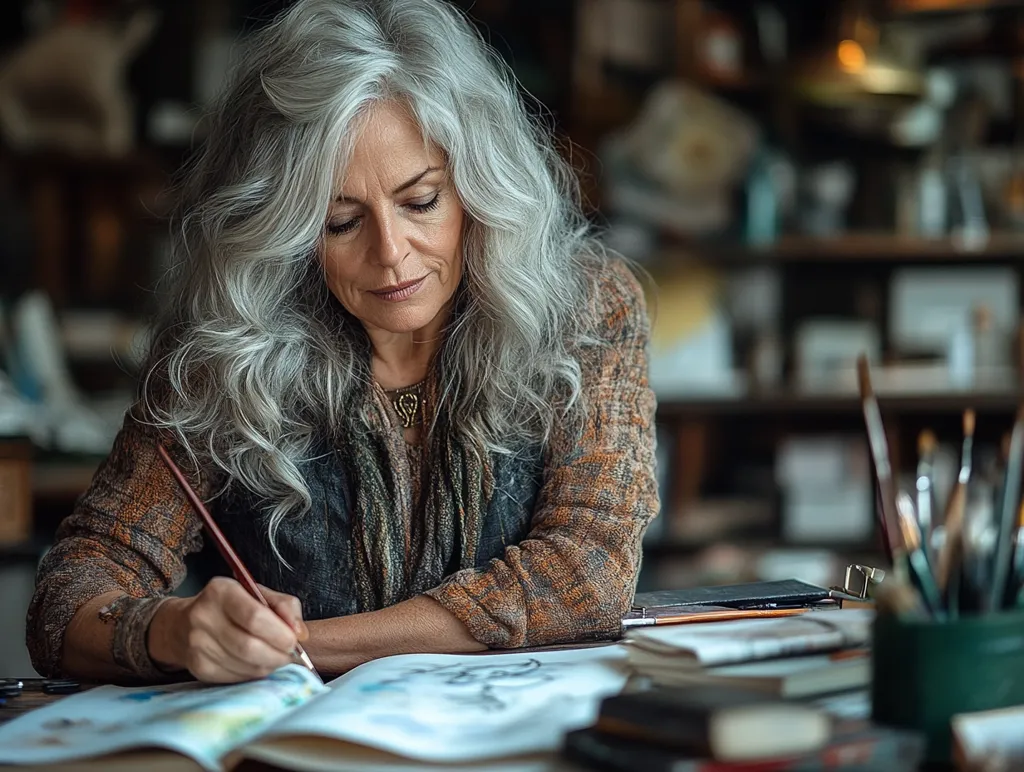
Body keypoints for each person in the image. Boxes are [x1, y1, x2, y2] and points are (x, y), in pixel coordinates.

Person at [26, 0, 658, 684]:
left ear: (480, 184)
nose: (391, 254)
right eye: (340, 222)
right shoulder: (225, 347)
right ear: (287, 231)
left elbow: (587, 569)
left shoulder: (586, 305)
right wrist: (168, 630)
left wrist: (306, 646)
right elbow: (68, 599)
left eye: (421, 202)